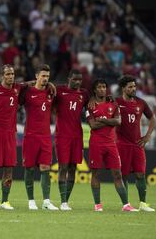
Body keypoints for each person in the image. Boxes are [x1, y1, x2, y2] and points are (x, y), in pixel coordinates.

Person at [0, 64, 42, 210]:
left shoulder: (17, 88)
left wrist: (49, 84)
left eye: (12, 74)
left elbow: (32, 83)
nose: (10, 77)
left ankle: (5, 201)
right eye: (7, 74)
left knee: (9, 169)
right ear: (2, 76)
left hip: (10, 134)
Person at [86, 79, 137, 212]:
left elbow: (118, 121)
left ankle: (126, 205)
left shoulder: (113, 104)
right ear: (95, 90)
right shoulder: (90, 105)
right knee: (96, 174)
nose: (102, 89)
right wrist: (110, 121)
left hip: (111, 144)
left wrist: (103, 120)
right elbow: (93, 125)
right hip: (96, 144)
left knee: (117, 174)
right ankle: (97, 205)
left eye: (104, 87)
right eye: (99, 87)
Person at [19, 64, 58, 210]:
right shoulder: (27, 92)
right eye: (43, 75)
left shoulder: (51, 92)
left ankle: (46, 201)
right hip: (30, 136)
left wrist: (52, 84)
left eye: (48, 76)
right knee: (29, 168)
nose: (45, 79)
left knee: (45, 167)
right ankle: (31, 201)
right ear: (36, 76)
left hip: (46, 137)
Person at [116, 75, 156, 212]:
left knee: (140, 174)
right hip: (122, 145)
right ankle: (126, 204)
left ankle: (143, 203)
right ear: (123, 88)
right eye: (130, 87)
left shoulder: (141, 102)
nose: (133, 89)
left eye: (134, 86)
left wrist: (147, 135)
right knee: (125, 175)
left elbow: (152, 118)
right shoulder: (115, 102)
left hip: (137, 144)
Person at [54, 69, 89, 210]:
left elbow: (92, 105)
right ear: (69, 78)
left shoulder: (84, 94)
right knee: (63, 167)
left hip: (77, 135)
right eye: (75, 79)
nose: (78, 82)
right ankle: (62, 201)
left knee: (73, 167)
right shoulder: (59, 91)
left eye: (80, 80)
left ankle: (66, 201)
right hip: (62, 135)